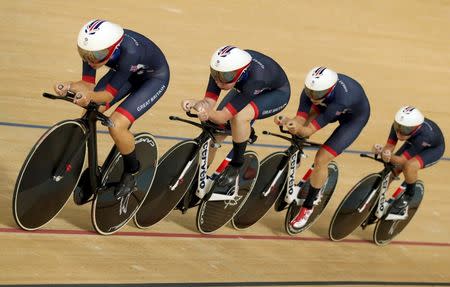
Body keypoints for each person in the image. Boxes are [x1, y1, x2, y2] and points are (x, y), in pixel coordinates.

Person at [54, 19, 170, 200]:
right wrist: (68, 85)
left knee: (116, 125)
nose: (91, 60)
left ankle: (131, 172)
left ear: (114, 47)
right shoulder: (93, 50)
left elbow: (107, 95)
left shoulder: (131, 51)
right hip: (126, 72)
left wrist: (88, 96)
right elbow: (87, 84)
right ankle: (91, 169)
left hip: (152, 80)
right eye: (85, 54)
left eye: (97, 55)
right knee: (89, 112)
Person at [181, 45, 290, 191]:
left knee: (239, 117)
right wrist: (199, 105)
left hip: (275, 93)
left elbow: (222, 117)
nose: (219, 82)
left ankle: (237, 164)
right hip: (246, 87)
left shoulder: (254, 78)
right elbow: (209, 103)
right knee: (215, 132)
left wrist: (200, 107)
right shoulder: (222, 70)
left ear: (242, 72)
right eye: (216, 75)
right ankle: (195, 177)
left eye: (225, 77)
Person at [275, 66, 370, 229]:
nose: (312, 97)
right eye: (309, 92)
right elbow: (300, 119)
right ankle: (296, 158)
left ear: (330, 90)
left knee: (321, 159)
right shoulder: (312, 92)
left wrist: (298, 128)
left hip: (353, 119)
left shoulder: (341, 100)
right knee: (301, 127)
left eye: (316, 94)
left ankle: (308, 208)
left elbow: (308, 129)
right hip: (327, 104)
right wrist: (289, 122)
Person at [373, 106, 445, 219]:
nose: (400, 133)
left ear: (416, 127)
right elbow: (390, 146)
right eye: (398, 127)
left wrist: (383, 154)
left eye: (405, 130)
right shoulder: (399, 126)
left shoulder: (425, 135)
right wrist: (384, 152)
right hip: (414, 142)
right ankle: (375, 199)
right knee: (392, 169)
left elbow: (401, 160)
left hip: (432, 149)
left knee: (409, 166)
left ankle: (409, 194)